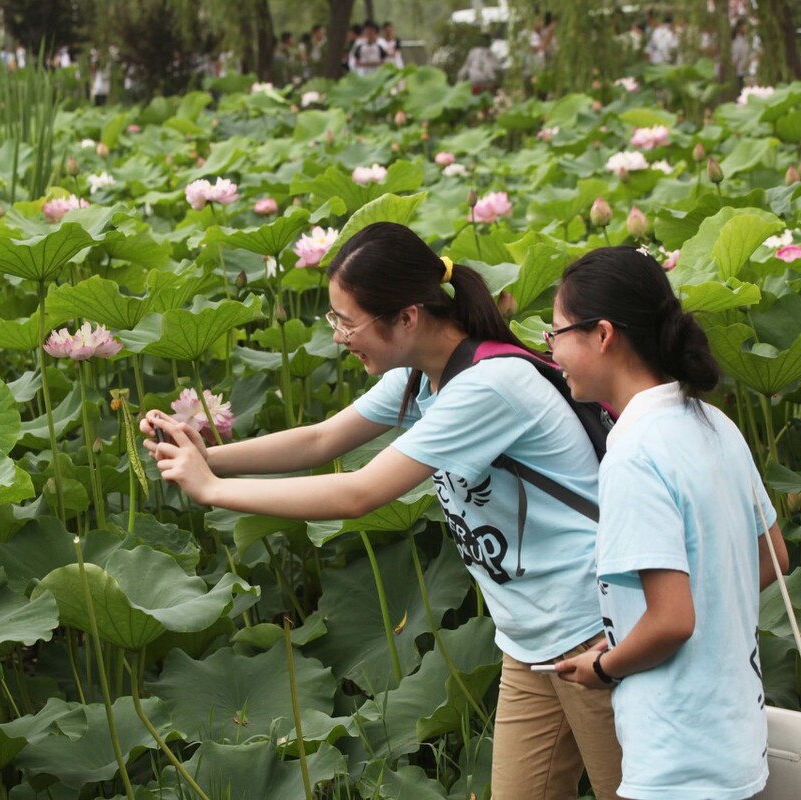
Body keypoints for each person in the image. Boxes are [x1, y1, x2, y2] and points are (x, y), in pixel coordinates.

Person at [144, 222, 622, 800]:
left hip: (595, 628)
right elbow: (321, 440)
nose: (340, 336)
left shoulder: (487, 387)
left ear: (407, 317)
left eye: (348, 320)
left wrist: (213, 492)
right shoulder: (420, 377)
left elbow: (359, 493)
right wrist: (208, 458)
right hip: (529, 638)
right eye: (334, 320)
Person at [550, 247, 787, 800]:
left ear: (602, 334)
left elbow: (672, 620)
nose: (553, 351)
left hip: (678, 755)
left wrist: (603, 666)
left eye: (557, 332)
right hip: (734, 736)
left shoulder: (633, 451)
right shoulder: (713, 421)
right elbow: (775, 554)